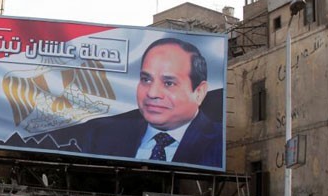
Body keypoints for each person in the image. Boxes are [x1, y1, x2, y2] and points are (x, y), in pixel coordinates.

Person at [41, 38, 222, 168]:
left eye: (169, 83)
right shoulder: (100, 135)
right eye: (146, 79)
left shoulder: (218, 146)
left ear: (199, 92)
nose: (152, 93)